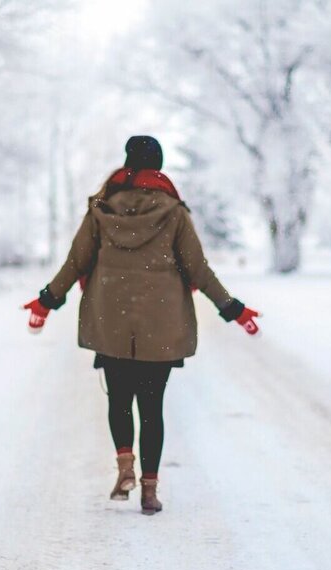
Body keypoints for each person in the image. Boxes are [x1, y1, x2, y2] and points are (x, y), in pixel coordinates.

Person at [23, 136, 260, 515]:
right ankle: (149, 492)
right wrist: (234, 309)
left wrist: (47, 300)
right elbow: (198, 269)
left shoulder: (101, 209)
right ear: (159, 167)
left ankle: (125, 467)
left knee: (118, 399)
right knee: (152, 408)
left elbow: (76, 262)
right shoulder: (174, 213)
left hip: (110, 320)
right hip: (161, 325)